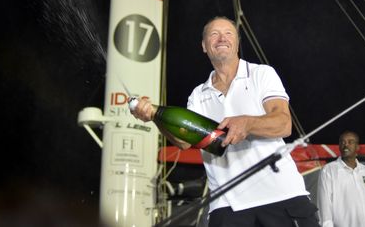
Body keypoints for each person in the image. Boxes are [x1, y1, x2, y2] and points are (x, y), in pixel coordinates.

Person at [131, 16, 320, 227]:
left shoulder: (261, 74)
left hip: (280, 196)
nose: (222, 38)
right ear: (204, 46)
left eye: (228, 33)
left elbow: (283, 124)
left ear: (237, 42)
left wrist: (247, 123)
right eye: (214, 34)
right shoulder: (197, 94)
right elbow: (184, 142)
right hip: (226, 207)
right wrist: (155, 118)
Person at [316, 130, 365, 227]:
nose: (346, 145)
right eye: (342, 142)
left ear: (357, 147)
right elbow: (324, 207)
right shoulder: (329, 171)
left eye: (350, 142)